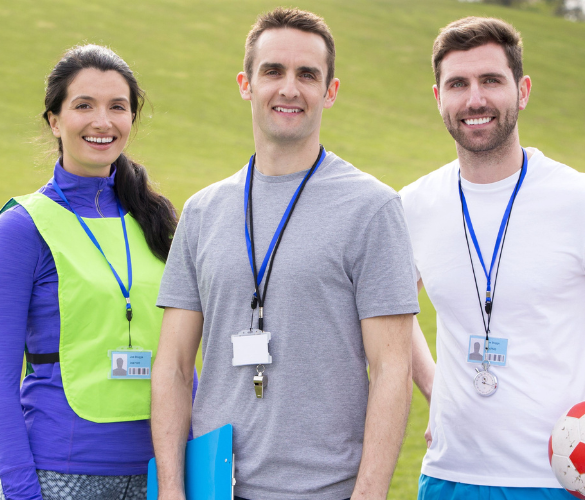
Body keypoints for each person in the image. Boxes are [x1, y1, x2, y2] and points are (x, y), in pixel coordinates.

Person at [399, 17, 585, 500]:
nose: (475, 99)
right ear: (438, 97)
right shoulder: (414, 204)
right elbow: (396, 313)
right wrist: (435, 390)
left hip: (559, 482)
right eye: (458, 84)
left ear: (523, 90)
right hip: (448, 477)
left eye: (491, 80)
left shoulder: (584, 202)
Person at [150, 7, 420, 500]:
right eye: (273, 71)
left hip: (325, 491)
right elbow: (171, 366)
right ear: (246, 83)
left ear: (330, 91)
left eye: (307, 75)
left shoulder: (373, 207)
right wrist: (170, 490)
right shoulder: (203, 211)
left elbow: (391, 371)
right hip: (214, 487)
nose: (289, 89)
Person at [0, 44, 181, 500]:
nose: (102, 121)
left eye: (117, 107)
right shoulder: (22, 226)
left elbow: (184, 355)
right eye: (83, 105)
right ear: (54, 120)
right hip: (62, 475)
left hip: (162, 474)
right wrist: (21, 491)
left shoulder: (159, 220)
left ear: (132, 119)